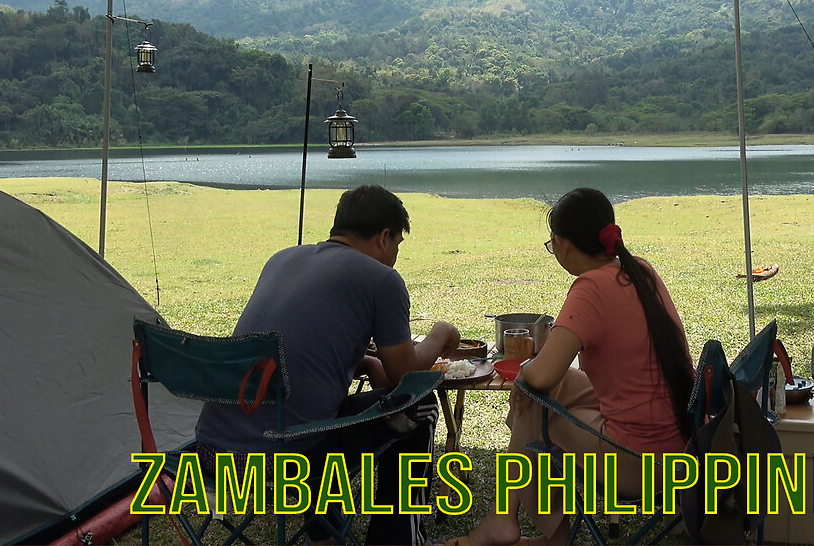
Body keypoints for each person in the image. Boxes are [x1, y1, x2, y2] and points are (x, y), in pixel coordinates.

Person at [196, 184, 460, 546]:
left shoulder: (281, 259)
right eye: (397, 245)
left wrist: (363, 361)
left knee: (324, 416)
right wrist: (440, 334)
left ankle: (326, 535)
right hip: (283, 463)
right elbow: (406, 377)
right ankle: (399, 541)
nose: (395, 255)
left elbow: (297, 354)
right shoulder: (382, 280)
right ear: (384, 237)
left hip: (211, 457)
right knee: (420, 406)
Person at [459, 187, 694, 546]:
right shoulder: (640, 271)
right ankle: (516, 523)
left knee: (535, 403)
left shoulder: (591, 288)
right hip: (686, 447)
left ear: (563, 244)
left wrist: (524, 377)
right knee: (548, 389)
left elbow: (540, 373)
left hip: (641, 465)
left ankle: (515, 523)